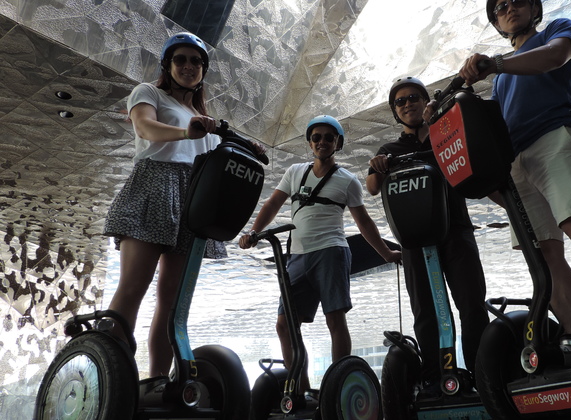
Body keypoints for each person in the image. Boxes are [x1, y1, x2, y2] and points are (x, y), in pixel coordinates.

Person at [453, 0, 571, 342]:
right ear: (497, 24)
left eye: (518, 1)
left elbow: (555, 57)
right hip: (517, 161)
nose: (509, 8)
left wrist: (496, 63)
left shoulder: (555, 31)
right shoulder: (501, 81)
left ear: (536, 10)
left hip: (554, 137)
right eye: (500, 7)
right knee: (545, 258)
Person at [104, 32, 260, 378]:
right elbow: (144, 127)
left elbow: (221, 155)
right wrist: (187, 133)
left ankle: (157, 381)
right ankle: (108, 375)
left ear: (204, 70)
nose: (188, 66)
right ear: (168, 65)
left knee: (172, 302)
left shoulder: (204, 119)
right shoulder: (149, 93)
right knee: (133, 286)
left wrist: (249, 148)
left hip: (192, 199)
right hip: (154, 184)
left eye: (196, 61)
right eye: (181, 60)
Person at [238, 115, 401, 396]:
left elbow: (364, 223)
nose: (322, 142)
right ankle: (299, 390)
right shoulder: (294, 172)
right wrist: (253, 232)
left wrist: (386, 253)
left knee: (334, 319)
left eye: (329, 137)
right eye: (317, 137)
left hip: (331, 253)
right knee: (284, 325)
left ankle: (337, 387)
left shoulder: (348, 181)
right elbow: (273, 203)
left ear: (338, 142)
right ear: (310, 143)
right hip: (297, 257)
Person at [367, 77, 488, 398]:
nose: (408, 104)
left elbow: (472, 162)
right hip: (414, 239)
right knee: (425, 311)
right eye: (400, 102)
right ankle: (434, 378)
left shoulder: (444, 136)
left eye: (413, 98)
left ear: (424, 101)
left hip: (456, 231)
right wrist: (378, 166)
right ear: (395, 111)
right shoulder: (389, 151)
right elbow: (371, 186)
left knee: (472, 304)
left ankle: (483, 373)